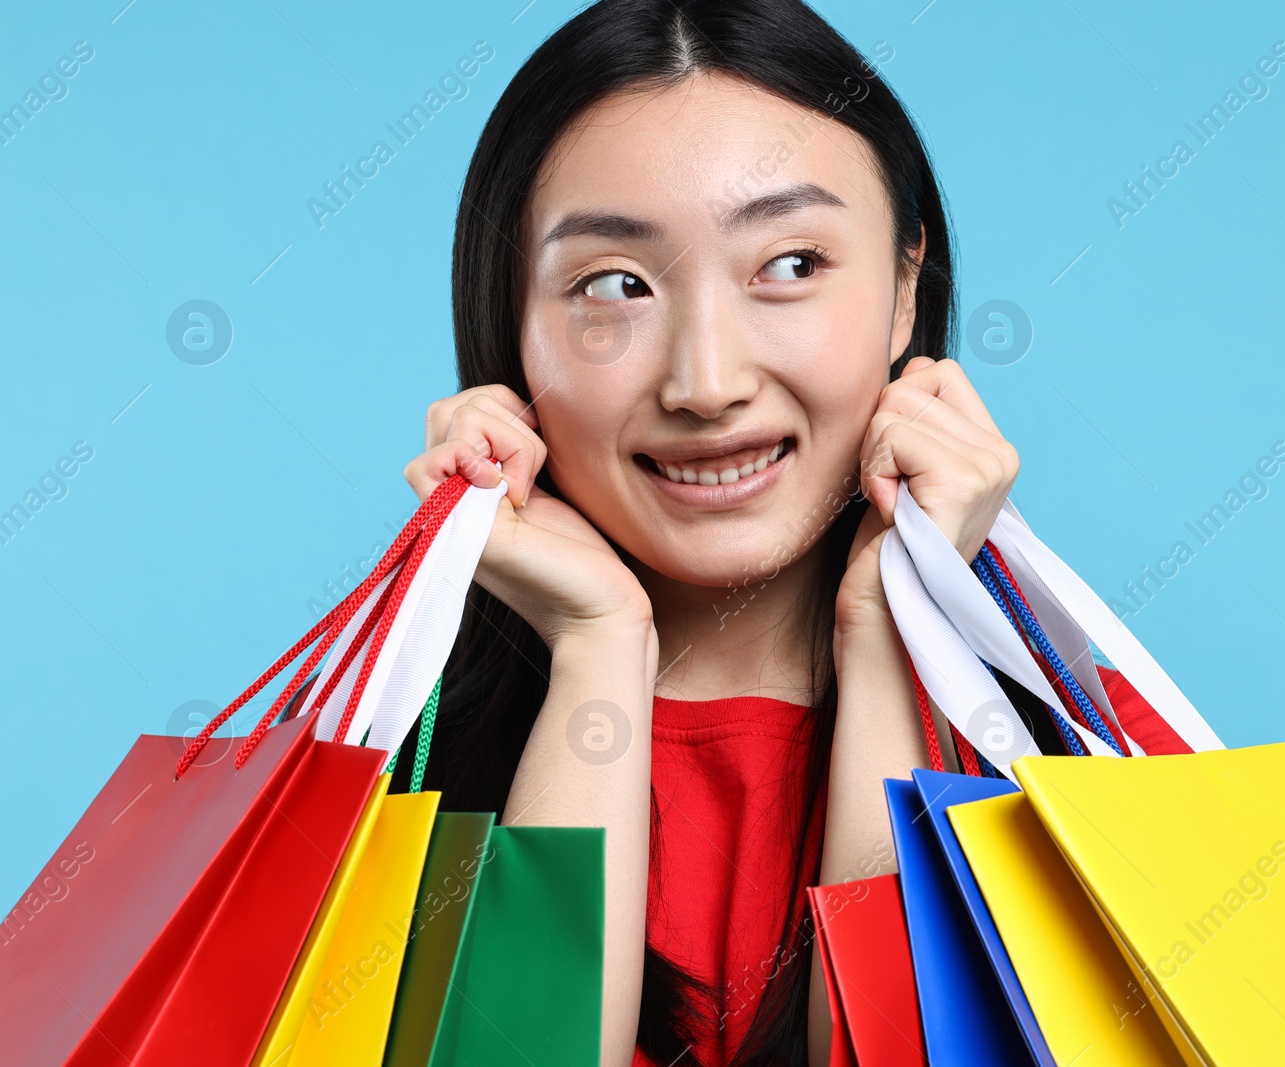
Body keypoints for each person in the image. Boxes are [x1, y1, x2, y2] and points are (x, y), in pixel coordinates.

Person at [391, 1, 1179, 1064]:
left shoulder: (1091, 775)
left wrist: (895, 626)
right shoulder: (376, 791)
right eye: (613, 285)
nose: (706, 381)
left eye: (791, 263)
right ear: (513, 329)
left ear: (906, 289)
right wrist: (595, 647)